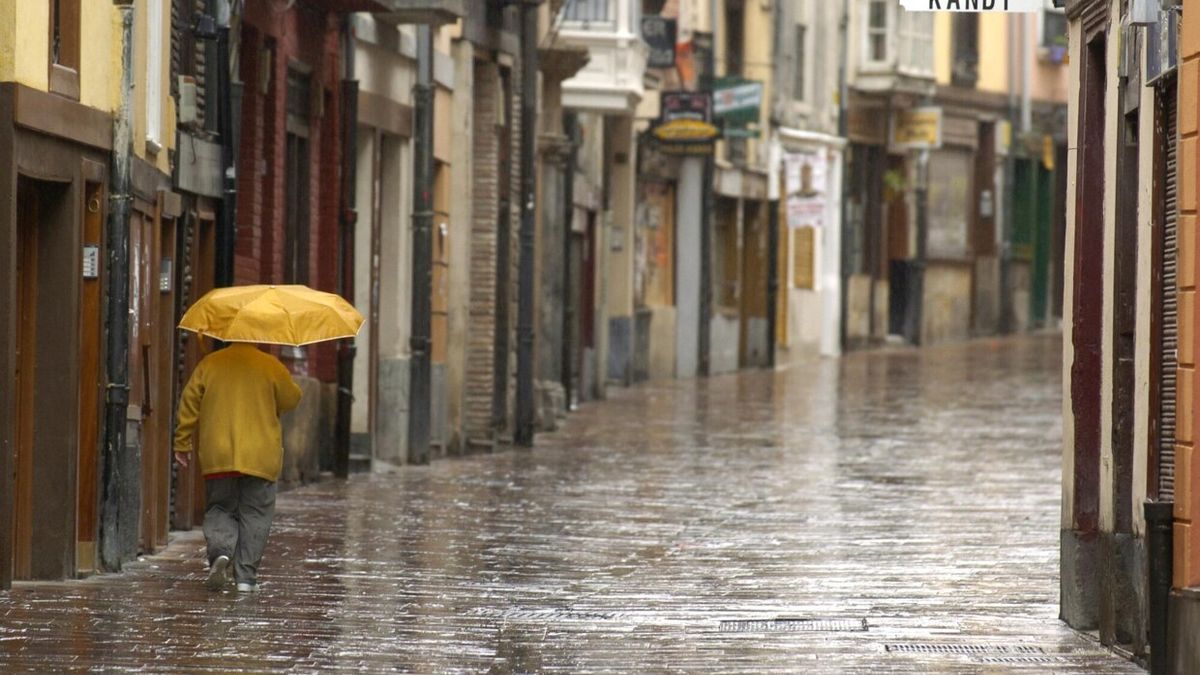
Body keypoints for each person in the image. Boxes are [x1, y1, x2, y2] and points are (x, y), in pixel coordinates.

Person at [173, 340, 303, 593]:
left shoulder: (210, 364)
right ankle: (245, 577)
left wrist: (182, 441)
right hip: (260, 455)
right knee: (256, 514)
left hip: (218, 453)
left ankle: (221, 552)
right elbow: (291, 399)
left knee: (220, 506)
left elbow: (189, 402)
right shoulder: (270, 365)